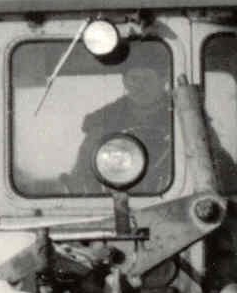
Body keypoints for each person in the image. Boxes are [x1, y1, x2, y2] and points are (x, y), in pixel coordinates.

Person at [69, 53, 175, 195]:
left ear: (164, 80)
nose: (139, 86)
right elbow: (83, 175)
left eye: (147, 79)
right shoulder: (103, 121)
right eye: (134, 79)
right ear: (124, 81)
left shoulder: (184, 117)